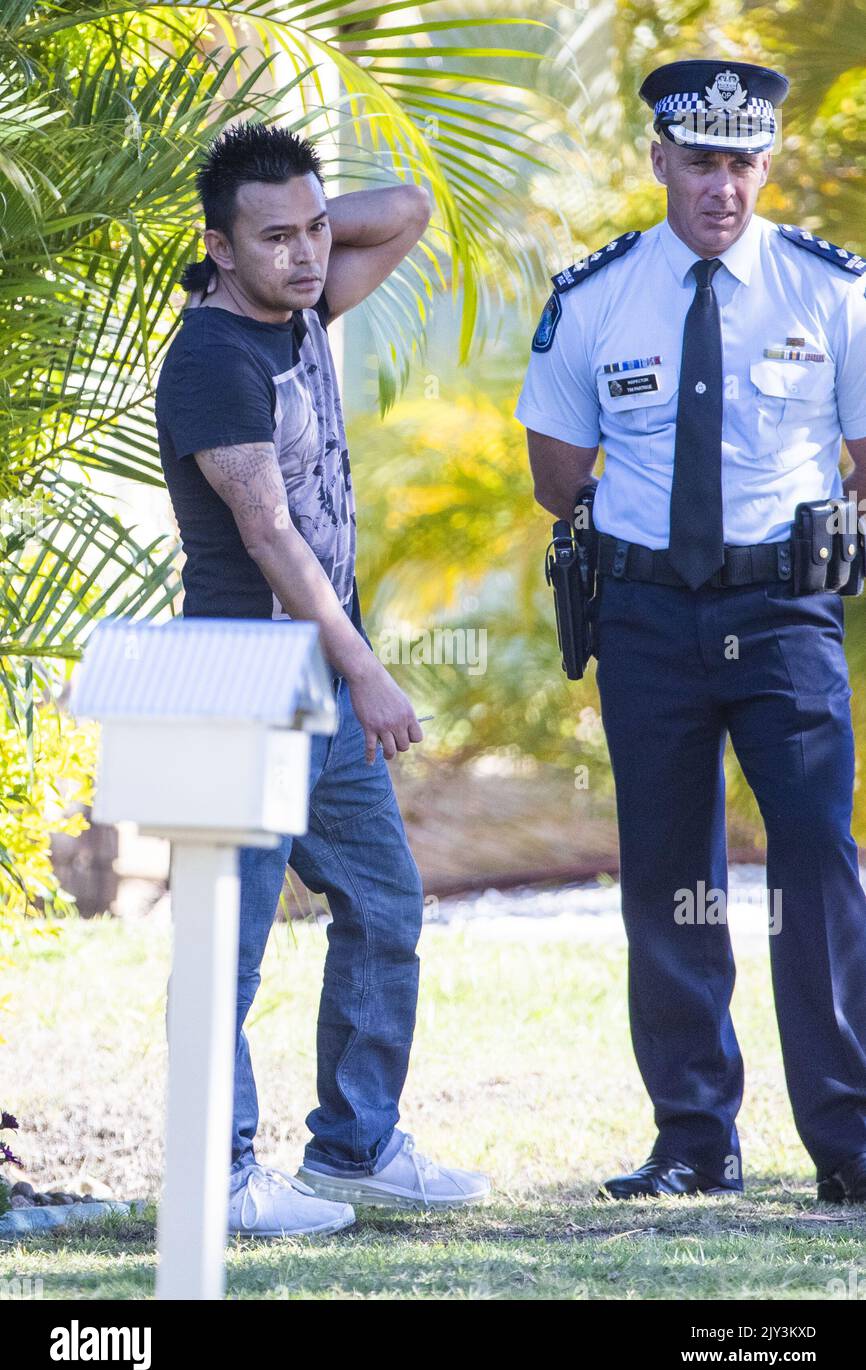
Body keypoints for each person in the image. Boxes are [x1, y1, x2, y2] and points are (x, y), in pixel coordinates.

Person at [516, 59, 866, 1204]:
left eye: (741, 163)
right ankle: (690, 1140)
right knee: (670, 870)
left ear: (763, 165)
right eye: (700, 161)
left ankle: (848, 1141)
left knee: (815, 860)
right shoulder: (594, 298)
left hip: (783, 614)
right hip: (648, 616)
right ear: (657, 161)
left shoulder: (832, 294)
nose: (721, 185)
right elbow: (557, 476)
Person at [155, 121, 489, 1236]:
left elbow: (404, 210)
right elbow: (270, 536)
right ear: (215, 247)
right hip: (245, 680)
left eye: (311, 234)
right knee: (230, 943)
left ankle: (353, 1149)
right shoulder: (211, 360)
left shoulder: (297, 306)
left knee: (384, 903)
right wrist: (371, 672)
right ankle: (224, 1172)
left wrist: (296, 218)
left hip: (318, 691)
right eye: (274, 239)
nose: (306, 256)